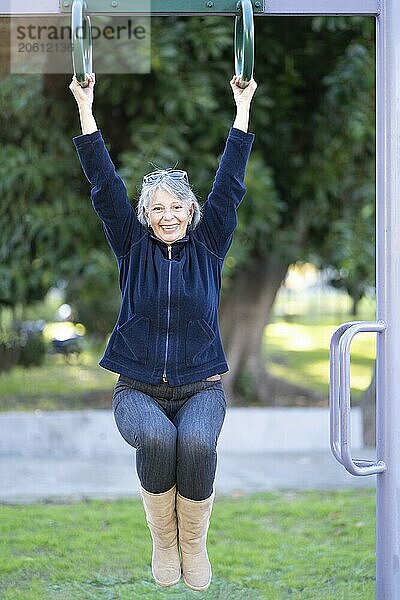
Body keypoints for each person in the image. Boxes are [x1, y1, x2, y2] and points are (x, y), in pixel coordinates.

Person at [69, 72, 257, 591]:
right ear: (145, 217)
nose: (168, 215)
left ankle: (192, 543)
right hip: (138, 389)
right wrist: (86, 109)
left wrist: (242, 108)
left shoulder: (209, 245)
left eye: (177, 207)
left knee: (195, 443)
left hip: (201, 387)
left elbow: (230, 183)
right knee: (156, 438)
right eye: (158, 208)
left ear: (191, 212)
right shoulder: (131, 246)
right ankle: (162, 540)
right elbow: (104, 185)